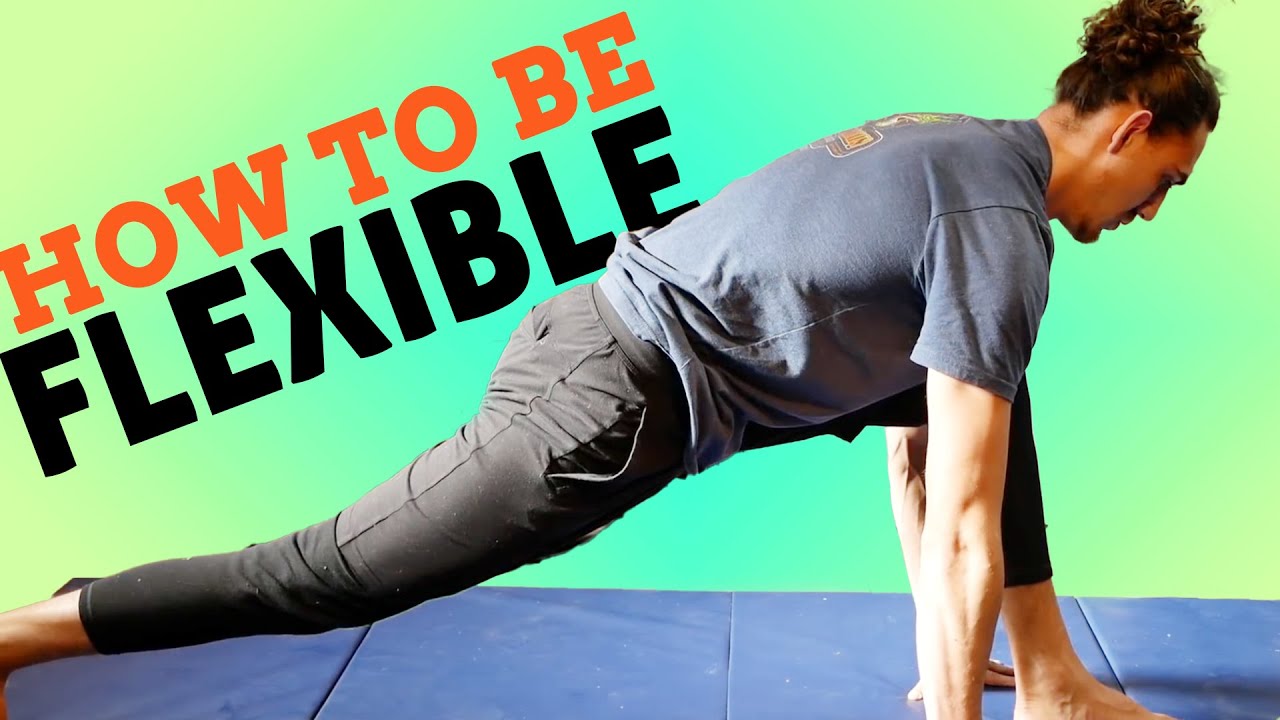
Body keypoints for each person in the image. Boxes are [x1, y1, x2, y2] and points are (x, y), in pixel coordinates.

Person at [0, 0, 1220, 717]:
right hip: (603, 405)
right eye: (1164, 180)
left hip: (607, 340)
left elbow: (923, 445)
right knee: (322, 578)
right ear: (1128, 129)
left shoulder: (954, 140)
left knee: (982, 383)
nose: (1150, 212)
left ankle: (1049, 678)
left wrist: (941, 659)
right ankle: (21, 636)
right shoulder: (998, 232)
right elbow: (957, 528)